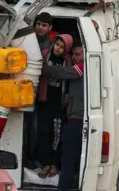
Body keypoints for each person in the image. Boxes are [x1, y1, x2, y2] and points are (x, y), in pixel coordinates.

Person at [40, 42, 85, 191]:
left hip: (77, 119)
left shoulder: (83, 67)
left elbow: (64, 73)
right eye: (72, 54)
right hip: (73, 117)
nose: (74, 57)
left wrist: (41, 69)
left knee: (68, 160)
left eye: (77, 54)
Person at [36, 34, 73, 178]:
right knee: (44, 131)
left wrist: (67, 94)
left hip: (59, 102)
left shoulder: (67, 60)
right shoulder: (46, 55)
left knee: (57, 134)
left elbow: (69, 79)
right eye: (57, 45)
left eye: (62, 47)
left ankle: (54, 164)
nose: (58, 49)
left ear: (66, 49)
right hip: (45, 99)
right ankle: (45, 163)